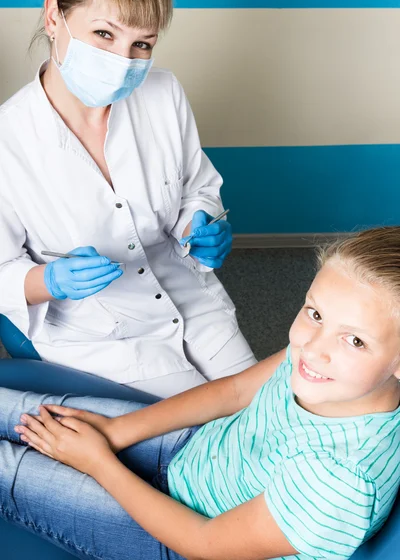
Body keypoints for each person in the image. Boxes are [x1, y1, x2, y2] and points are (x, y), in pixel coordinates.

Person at [1, 226, 400, 560]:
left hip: (182, 541)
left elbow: (204, 543)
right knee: (29, 411)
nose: (312, 347)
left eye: (355, 341)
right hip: (196, 457)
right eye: (315, 314)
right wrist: (118, 432)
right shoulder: (321, 361)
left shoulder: (342, 481)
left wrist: (99, 461)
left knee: (8, 466)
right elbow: (235, 390)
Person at [0, 0, 257, 398]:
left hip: (189, 298)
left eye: (142, 44)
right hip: (98, 332)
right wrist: (50, 280)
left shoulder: (163, 93)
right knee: (210, 442)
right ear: (53, 15)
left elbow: (196, 186)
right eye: (104, 34)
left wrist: (199, 219)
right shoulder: (9, 141)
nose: (123, 62)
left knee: (273, 409)